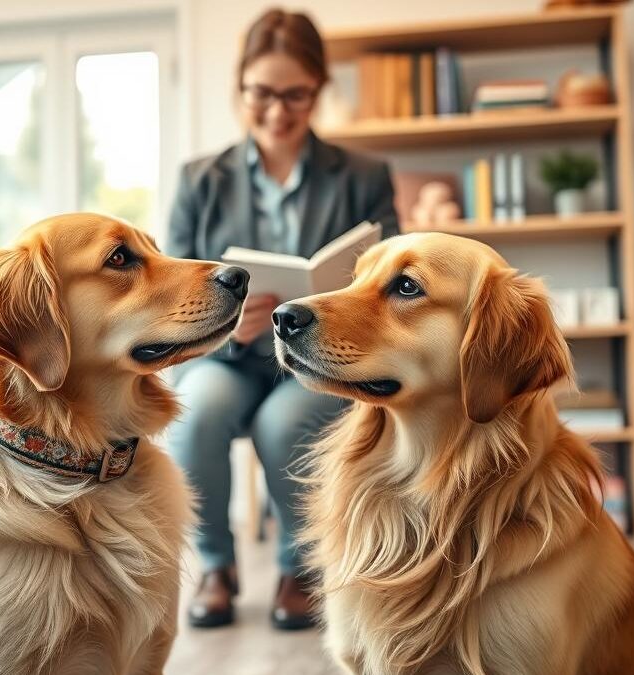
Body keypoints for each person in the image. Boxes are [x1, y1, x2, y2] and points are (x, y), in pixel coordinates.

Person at [165, 7, 399, 630]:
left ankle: (300, 569)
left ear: (320, 90)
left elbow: (391, 285)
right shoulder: (199, 181)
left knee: (284, 423)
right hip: (230, 354)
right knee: (195, 414)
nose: (276, 111)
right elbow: (169, 297)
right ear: (238, 87)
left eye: (295, 95)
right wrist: (222, 325)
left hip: (319, 364)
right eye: (261, 94)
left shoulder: (364, 177)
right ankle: (217, 567)